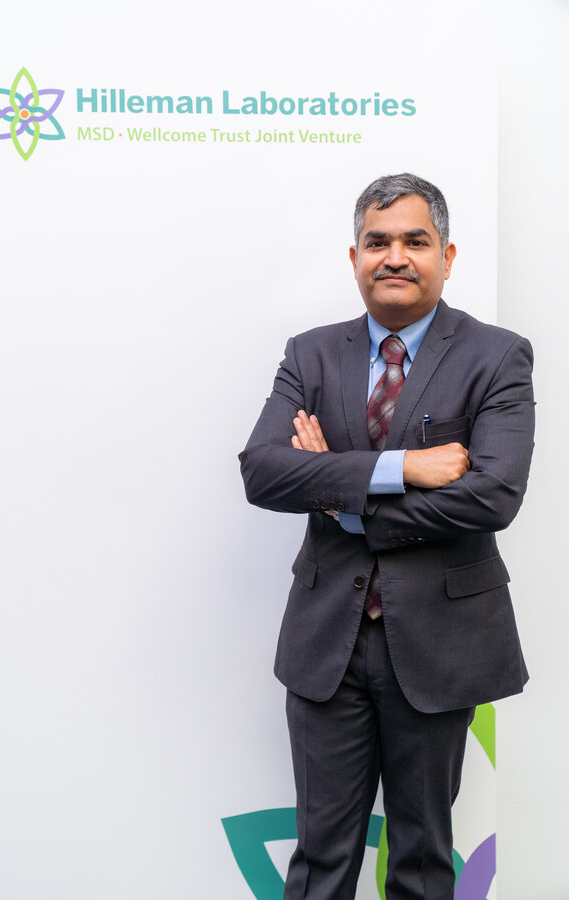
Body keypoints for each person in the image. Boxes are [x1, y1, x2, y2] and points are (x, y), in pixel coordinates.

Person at [239, 173, 534, 900]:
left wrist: (340, 498)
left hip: (439, 642)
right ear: (355, 258)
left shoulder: (497, 356)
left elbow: (493, 496)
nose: (394, 257)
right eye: (377, 242)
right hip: (327, 645)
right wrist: (404, 468)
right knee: (320, 861)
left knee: (423, 860)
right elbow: (264, 472)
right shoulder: (311, 354)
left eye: (415, 241)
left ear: (447, 256)